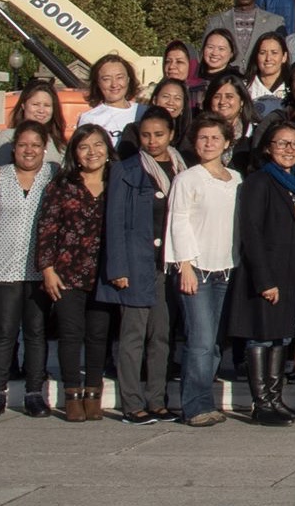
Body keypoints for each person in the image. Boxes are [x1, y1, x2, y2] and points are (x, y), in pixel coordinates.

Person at [97, 108, 180, 424]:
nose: (152, 141)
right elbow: (114, 222)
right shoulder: (126, 170)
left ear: (170, 134)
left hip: (165, 266)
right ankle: (132, 403)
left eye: (159, 134)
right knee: (133, 336)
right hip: (135, 264)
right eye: (146, 135)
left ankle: (157, 400)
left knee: (160, 335)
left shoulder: (179, 168)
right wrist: (117, 268)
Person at [0, 120, 59, 418]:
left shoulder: (53, 176)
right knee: (4, 332)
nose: (29, 150)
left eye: (36, 145)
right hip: (3, 266)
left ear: (45, 148)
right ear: (14, 147)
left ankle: (35, 393)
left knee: (36, 331)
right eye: (23, 144)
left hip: (40, 268)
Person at [229, 119, 295, 426]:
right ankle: (261, 403)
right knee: (260, 338)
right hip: (268, 275)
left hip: (293, 274)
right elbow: (252, 232)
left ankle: (276, 399)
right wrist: (265, 280)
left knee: (281, 337)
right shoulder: (259, 182)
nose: (289, 150)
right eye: (282, 143)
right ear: (267, 148)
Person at [35, 123, 113, 422]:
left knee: (98, 335)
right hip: (67, 271)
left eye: (98, 145)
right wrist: (48, 268)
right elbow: (47, 228)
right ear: (75, 153)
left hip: (106, 272)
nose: (92, 152)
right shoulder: (62, 184)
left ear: (107, 149)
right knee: (70, 334)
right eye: (84, 147)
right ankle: (72, 394)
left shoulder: (118, 182)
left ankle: (93, 394)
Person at [169, 117, 242, 427]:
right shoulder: (187, 179)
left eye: (215, 137)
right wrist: (183, 264)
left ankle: (206, 399)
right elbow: (178, 221)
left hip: (228, 270)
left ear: (227, 142)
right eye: (203, 137)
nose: (209, 143)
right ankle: (195, 406)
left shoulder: (237, 179)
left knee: (213, 343)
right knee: (199, 341)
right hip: (197, 270)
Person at [78, 53, 144, 147]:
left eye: (120, 77)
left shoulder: (143, 111)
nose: (114, 84)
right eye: (106, 79)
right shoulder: (90, 118)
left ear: (128, 79)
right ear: (97, 83)